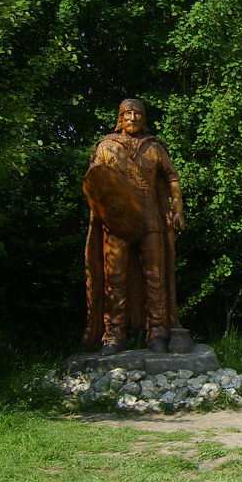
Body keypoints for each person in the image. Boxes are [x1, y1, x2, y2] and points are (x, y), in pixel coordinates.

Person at [82, 99, 185, 354]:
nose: (133, 118)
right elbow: (96, 181)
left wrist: (178, 211)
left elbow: (172, 177)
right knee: (114, 279)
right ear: (120, 117)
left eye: (138, 114)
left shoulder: (154, 147)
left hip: (151, 220)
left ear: (144, 118)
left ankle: (157, 332)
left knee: (155, 276)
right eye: (128, 114)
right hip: (117, 222)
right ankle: (114, 334)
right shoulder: (107, 146)